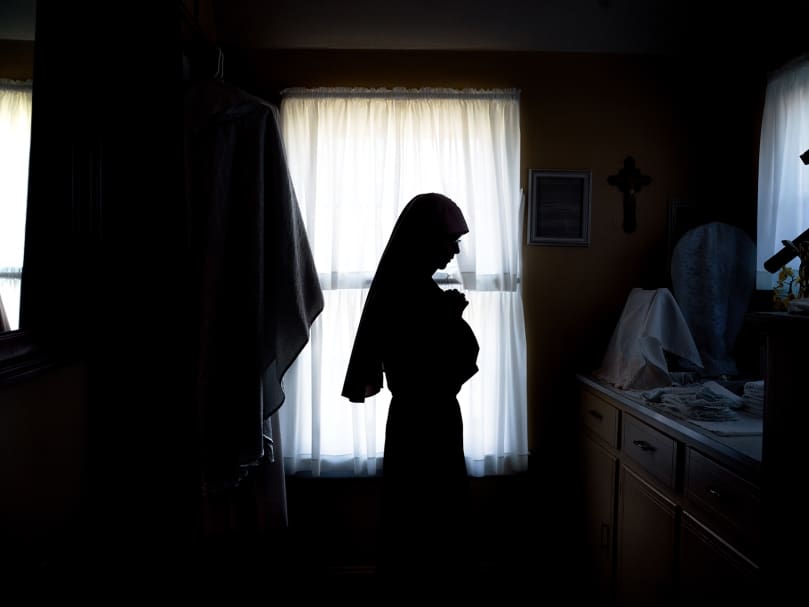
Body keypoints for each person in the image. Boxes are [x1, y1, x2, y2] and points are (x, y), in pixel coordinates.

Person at [342, 192, 479, 587]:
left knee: (414, 513)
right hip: (427, 419)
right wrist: (450, 318)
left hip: (416, 417)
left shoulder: (406, 285)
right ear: (427, 240)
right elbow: (435, 362)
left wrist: (446, 316)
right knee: (428, 513)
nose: (455, 250)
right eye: (450, 240)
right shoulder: (410, 290)